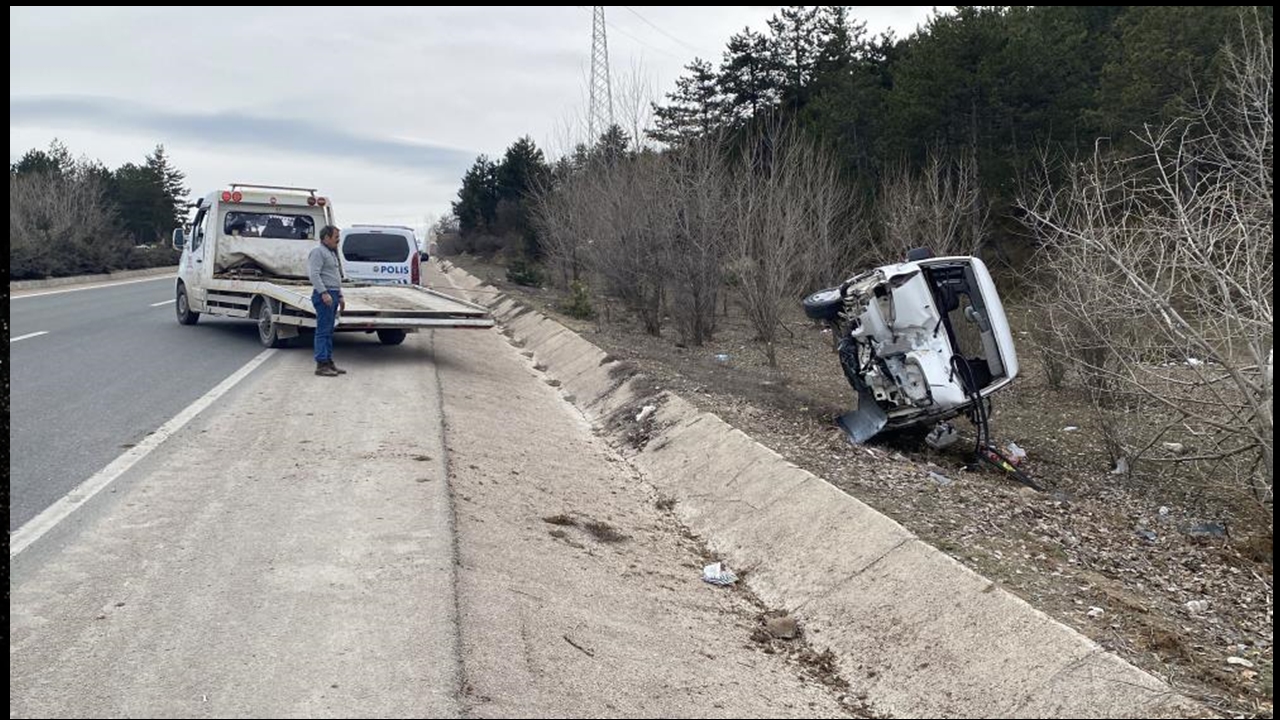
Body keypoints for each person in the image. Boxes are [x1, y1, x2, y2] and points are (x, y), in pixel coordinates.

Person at [308, 225, 347, 376]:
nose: (338, 240)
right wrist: (323, 293)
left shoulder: (331, 253)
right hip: (325, 295)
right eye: (335, 237)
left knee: (329, 330)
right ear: (326, 238)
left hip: (333, 293)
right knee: (323, 330)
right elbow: (314, 274)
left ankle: (329, 362)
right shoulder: (318, 252)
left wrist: (340, 295)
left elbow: (335, 277)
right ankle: (321, 364)